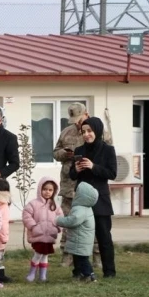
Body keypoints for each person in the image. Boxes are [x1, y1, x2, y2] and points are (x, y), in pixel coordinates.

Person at [53, 103, 111, 269]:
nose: (78, 124)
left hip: (90, 186)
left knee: (91, 223)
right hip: (70, 184)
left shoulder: (98, 132)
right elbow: (55, 152)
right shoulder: (66, 132)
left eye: (79, 120)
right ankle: (67, 256)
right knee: (69, 219)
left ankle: (97, 257)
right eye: (75, 121)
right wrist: (65, 154)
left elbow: (107, 153)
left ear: (87, 114)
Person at [69, 117, 117, 278]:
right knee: (79, 236)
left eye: (90, 131)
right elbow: (72, 175)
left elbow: (112, 173)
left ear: (97, 131)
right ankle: (79, 271)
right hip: (82, 199)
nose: (86, 135)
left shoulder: (108, 150)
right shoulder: (79, 151)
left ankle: (109, 271)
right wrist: (76, 169)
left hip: (100, 199)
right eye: (83, 132)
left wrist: (93, 167)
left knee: (104, 236)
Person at [22, 176, 63, 283]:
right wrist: (33, 226)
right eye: (45, 189)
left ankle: (43, 275)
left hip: (49, 235)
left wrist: (57, 228)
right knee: (38, 253)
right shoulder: (33, 204)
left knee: (45, 254)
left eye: (50, 190)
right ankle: (32, 273)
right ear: (40, 189)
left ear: (54, 191)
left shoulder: (55, 205)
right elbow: (27, 216)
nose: (47, 192)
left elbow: (60, 218)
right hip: (38, 235)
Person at [56, 182, 99, 283]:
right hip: (81, 240)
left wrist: (58, 220)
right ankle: (78, 273)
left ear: (82, 196)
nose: (74, 194)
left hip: (80, 240)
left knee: (82, 260)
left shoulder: (80, 209)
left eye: (76, 192)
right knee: (78, 258)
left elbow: (72, 221)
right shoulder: (86, 208)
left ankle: (90, 275)